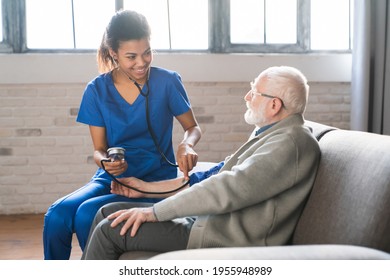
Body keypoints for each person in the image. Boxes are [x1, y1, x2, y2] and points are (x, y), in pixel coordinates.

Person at [82, 66, 321, 260]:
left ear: (274, 105)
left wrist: (154, 212)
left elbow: (226, 189)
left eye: (254, 92)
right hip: (206, 220)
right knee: (106, 211)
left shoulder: (291, 143)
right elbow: (210, 177)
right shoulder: (271, 133)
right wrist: (140, 187)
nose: (247, 97)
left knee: (110, 228)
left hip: (225, 238)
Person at [43, 10, 202, 260]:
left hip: (153, 179)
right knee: (57, 215)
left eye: (147, 52)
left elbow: (193, 128)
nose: (142, 62)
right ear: (113, 53)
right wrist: (107, 163)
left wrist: (186, 144)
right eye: (131, 56)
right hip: (112, 177)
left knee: (86, 214)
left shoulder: (168, 82)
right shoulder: (97, 90)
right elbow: (98, 150)